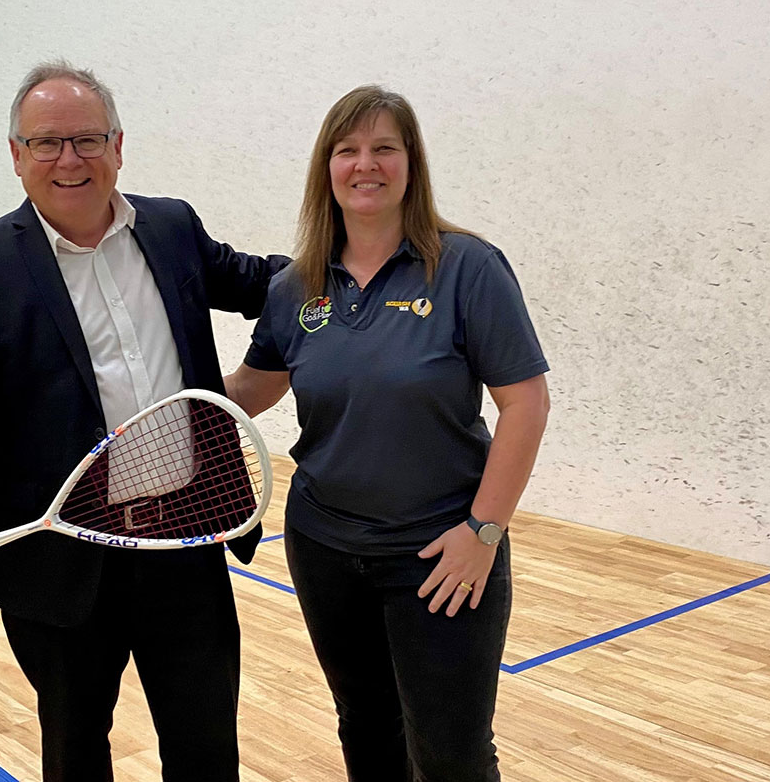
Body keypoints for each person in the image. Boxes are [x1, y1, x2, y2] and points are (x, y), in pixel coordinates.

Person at [0, 60, 289, 782]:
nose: (70, 159)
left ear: (119, 145)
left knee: (206, 748)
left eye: (88, 139)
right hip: (58, 561)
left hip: (185, 542)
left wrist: (369, 266)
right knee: (74, 753)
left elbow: (268, 282)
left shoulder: (172, 227)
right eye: (46, 143)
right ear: (16, 155)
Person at [225, 85, 551, 781]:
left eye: (383, 148)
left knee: (452, 753)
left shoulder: (467, 267)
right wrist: (160, 397)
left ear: (411, 163)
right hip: (325, 548)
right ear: (327, 168)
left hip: (441, 553)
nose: (364, 164)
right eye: (348, 150)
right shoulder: (297, 286)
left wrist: (484, 532)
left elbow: (525, 404)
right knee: (367, 728)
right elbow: (253, 387)